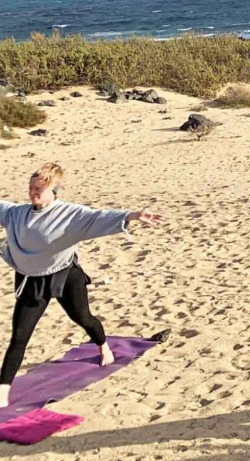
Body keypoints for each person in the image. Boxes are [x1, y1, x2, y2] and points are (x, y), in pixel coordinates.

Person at [0, 163, 164, 408]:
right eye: (31, 187)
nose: (33, 192)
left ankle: (103, 346)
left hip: (66, 275)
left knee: (83, 318)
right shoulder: (15, 214)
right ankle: (3, 391)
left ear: (54, 191)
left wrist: (132, 215)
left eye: (39, 189)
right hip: (31, 280)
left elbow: (97, 216)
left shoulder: (69, 214)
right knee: (20, 337)